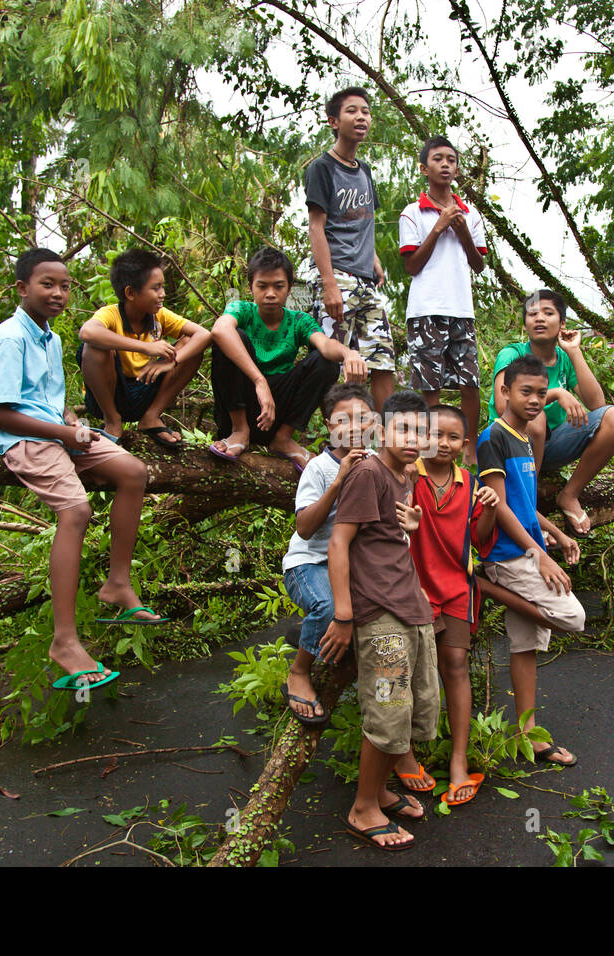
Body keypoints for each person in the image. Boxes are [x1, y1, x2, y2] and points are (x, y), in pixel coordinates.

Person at [0, 249, 160, 691]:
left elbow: (50, 400)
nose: (59, 293)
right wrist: (62, 431)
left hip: (56, 431)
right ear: (21, 289)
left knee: (133, 472)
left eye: (65, 285)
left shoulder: (50, 338)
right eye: (47, 284)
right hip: (22, 438)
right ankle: (65, 640)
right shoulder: (8, 339)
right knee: (75, 511)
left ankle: (117, 584)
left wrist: (74, 424)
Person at [322, 391, 437, 851]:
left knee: (414, 706)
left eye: (421, 432)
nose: (414, 440)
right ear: (382, 430)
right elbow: (338, 543)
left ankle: (382, 791)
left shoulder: (402, 472)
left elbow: (391, 537)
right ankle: (362, 807)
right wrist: (344, 614)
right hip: (378, 612)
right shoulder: (368, 472)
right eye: (404, 429)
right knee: (388, 712)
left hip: (409, 604)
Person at [478, 355, 586, 767]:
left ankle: (528, 734)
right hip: (509, 556)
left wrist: (556, 534)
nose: (536, 400)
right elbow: (500, 508)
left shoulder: (523, 439)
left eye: (542, 392)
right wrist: (538, 554)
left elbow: (524, 504)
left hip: (526, 548)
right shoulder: (493, 438)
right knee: (572, 617)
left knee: (525, 647)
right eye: (526, 391)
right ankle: (488, 587)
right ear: (504, 391)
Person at [408, 405, 499, 806]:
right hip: (411, 591)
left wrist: (492, 508)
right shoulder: (408, 476)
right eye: (434, 435)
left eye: (452, 438)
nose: (442, 444)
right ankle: (403, 755)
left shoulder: (471, 483)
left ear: (465, 445)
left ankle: (458, 761)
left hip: (457, 591)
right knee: (408, 673)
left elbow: (480, 541)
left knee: (456, 668)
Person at [209, 247, 367, 470]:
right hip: (239, 406)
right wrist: (259, 381)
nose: (270, 293)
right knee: (229, 339)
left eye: (278, 286)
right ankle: (240, 431)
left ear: (289, 288)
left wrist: (349, 353)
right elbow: (220, 330)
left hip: (276, 414)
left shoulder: (298, 321)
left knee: (325, 362)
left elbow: (325, 344)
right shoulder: (241, 310)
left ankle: (283, 439)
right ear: (250, 287)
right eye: (262, 286)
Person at [488, 290, 614, 536]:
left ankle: (569, 495)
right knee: (536, 418)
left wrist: (574, 351)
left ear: (562, 323)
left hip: (549, 446)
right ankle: (528, 505)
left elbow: (598, 404)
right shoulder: (512, 354)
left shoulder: (563, 358)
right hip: (507, 447)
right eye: (532, 314)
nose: (539, 318)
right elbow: (503, 407)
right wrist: (556, 394)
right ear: (525, 323)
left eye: (548, 313)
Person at [279, 383, 375, 726]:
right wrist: (339, 481)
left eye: (362, 418)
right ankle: (299, 672)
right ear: (329, 426)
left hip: (352, 565)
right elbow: (304, 528)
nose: (354, 427)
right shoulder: (319, 468)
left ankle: (309, 633)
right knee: (331, 608)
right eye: (343, 420)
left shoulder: (377, 463)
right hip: (310, 562)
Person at [305, 86, 394, 413]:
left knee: (382, 361)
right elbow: (317, 227)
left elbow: (361, 220)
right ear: (333, 120)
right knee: (344, 363)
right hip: (337, 275)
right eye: (352, 111)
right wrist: (328, 284)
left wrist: (374, 258)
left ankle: (388, 444)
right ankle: (342, 441)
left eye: (366, 111)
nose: (361, 117)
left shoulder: (365, 170)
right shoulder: (322, 168)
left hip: (365, 280)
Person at [399, 135, 487, 449]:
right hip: (425, 309)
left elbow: (478, 264)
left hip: (462, 309)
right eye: (438, 159)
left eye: (451, 159)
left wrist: (461, 229)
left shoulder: (471, 214)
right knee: (429, 385)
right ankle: (431, 449)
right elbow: (412, 266)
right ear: (424, 168)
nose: (445, 164)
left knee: (470, 383)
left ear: (457, 168)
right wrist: (438, 227)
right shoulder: (412, 212)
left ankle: (469, 448)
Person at [77, 248, 211, 451]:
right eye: (155, 288)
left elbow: (204, 334)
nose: (162, 294)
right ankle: (113, 421)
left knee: (190, 347)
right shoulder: (110, 314)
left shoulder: (160, 315)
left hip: (144, 389)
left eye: (162, 287)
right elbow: (87, 333)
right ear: (130, 293)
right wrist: (146, 347)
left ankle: (151, 417)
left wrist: (171, 361)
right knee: (93, 347)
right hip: (108, 396)